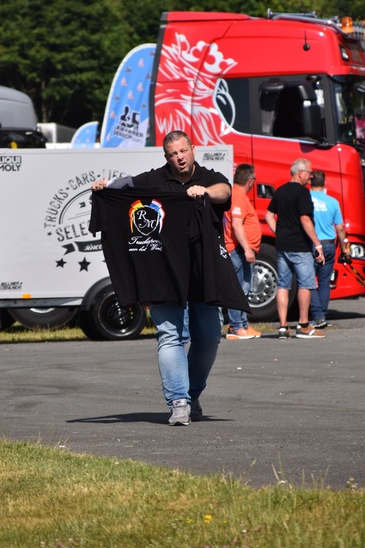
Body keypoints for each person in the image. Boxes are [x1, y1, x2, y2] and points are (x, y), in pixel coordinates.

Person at [91, 130, 233, 426]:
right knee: (171, 336)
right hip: (162, 270)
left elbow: (225, 191)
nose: (179, 157)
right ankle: (179, 402)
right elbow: (127, 184)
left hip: (201, 269)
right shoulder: (154, 180)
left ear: (193, 150)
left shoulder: (207, 177)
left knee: (208, 337)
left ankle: (192, 394)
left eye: (183, 151)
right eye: (172, 154)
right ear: (166, 157)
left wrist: (204, 192)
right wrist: (106, 186)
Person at [264, 158, 327, 340]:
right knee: (305, 284)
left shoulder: (281, 190)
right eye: (309, 173)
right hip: (300, 246)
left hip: (282, 246)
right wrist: (317, 243)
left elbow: (268, 215)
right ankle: (304, 325)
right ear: (300, 173)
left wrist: (279, 232)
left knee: (283, 285)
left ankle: (283, 327)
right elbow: (305, 220)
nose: (311, 176)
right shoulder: (302, 193)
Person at [223, 164, 262, 339]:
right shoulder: (238, 196)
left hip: (241, 249)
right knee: (238, 290)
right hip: (238, 250)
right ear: (250, 181)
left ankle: (243, 325)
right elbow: (237, 225)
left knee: (244, 290)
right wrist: (247, 249)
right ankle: (235, 326)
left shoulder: (237, 194)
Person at [309, 170, 350, 328]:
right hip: (328, 244)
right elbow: (340, 228)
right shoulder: (332, 202)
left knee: (309, 281)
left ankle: (316, 315)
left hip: (311, 243)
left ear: (310, 182)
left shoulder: (305, 199)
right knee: (325, 282)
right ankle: (323, 315)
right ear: (324, 183)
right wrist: (345, 249)